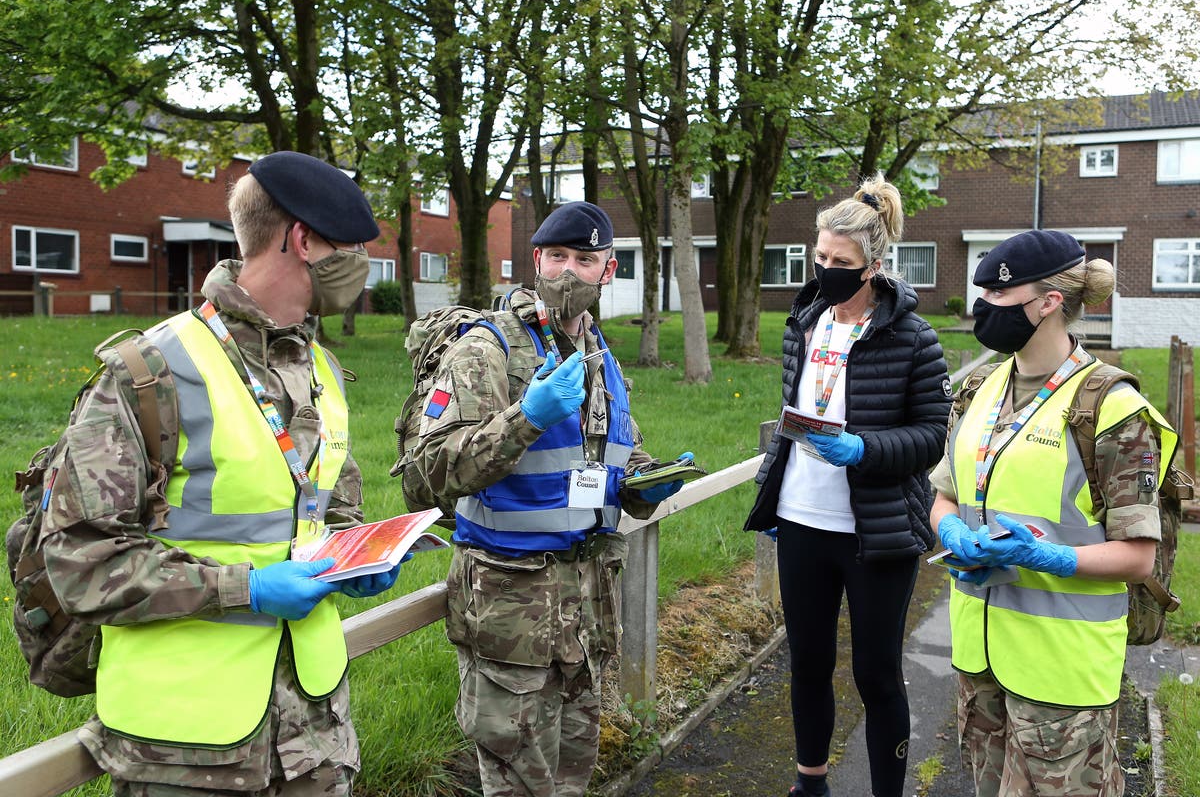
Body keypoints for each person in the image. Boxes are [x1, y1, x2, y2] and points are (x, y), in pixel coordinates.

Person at [40, 151, 403, 796]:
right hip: (186, 749)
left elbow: (323, 512)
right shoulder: (150, 371)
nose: (360, 265)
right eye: (349, 247)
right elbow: (81, 562)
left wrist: (359, 554)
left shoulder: (318, 367)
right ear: (300, 240)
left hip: (314, 735)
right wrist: (248, 589)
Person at [411, 201, 689, 797]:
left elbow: (608, 453)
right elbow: (424, 474)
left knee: (572, 780)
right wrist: (525, 418)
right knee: (518, 785)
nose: (568, 272)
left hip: (586, 617)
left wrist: (643, 481)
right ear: (536, 261)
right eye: (557, 257)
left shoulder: (600, 353)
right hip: (512, 619)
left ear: (608, 271)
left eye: (584, 260)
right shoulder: (487, 351)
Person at [929, 229, 1176, 797]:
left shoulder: (1113, 410)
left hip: (1062, 675)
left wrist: (1044, 556)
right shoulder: (977, 389)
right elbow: (943, 493)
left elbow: (1139, 558)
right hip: (980, 659)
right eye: (982, 295)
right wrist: (948, 528)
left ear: (1049, 303)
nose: (982, 309)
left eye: (998, 298)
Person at [744, 174, 952, 797]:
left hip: (876, 529)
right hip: (801, 518)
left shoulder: (913, 337)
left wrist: (863, 448)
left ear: (875, 266)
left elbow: (931, 437)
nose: (826, 271)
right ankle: (810, 784)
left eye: (841, 263)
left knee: (876, 673)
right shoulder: (804, 322)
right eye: (820, 258)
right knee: (807, 663)